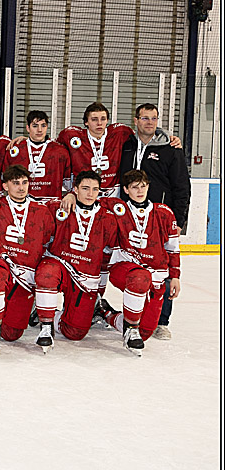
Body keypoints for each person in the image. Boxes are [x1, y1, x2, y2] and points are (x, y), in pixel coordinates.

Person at [118, 103, 191, 340]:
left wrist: (178, 220)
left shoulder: (170, 149)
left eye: (153, 118)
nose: (149, 122)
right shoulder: (126, 145)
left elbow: (181, 186)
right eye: (145, 118)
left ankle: (161, 320)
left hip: (158, 220)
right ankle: (127, 313)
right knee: (126, 266)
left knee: (162, 266)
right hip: (128, 217)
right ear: (136, 120)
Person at [33, 170, 120, 351]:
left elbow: (108, 254)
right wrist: (67, 196)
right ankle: (46, 325)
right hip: (60, 266)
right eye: (85, 188)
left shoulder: (108, 218)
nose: (90, 194)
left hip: (85, 276)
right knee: (47, 273)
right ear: (75, 189)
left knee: (75, 332)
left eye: (95, 189)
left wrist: (100, 286)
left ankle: (52, 312)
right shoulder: (59, 208)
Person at [95, 170, 181, 352]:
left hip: (155, 276)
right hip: (124, 268)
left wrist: (175, 276)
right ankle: (131, 328)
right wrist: (70, 195)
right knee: (140, 278)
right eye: (134, 187)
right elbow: (89, 198)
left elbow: (172, 247)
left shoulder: (164, 213)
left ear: (148, 187)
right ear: (126, 190)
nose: (140, 190)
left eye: (143, 186)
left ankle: (106, 313)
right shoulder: (117, 208)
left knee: (145, 333)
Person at [0, 165, 56, 354]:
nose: (21, 187)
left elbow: (46, 240)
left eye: (24, 182)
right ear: (5, 186)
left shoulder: (41, 211)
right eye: (15, 183)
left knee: (12, 333)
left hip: (24, 272)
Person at [57, 102, 134, 198]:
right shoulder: (72, 136)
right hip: (84, 193)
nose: (99, 123)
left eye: (103, 119)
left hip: (113, 194)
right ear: (86, 122)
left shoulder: (119, 133)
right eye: (94, 119)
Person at [3, 110, 71, 200]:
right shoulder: (15, 149)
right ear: (28, 128)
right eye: (35, 126)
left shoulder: (60, 151)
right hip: (22, 202)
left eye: (43, 126)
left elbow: (68, 184)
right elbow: (6, 179)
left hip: (51, 202)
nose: (39, 130)